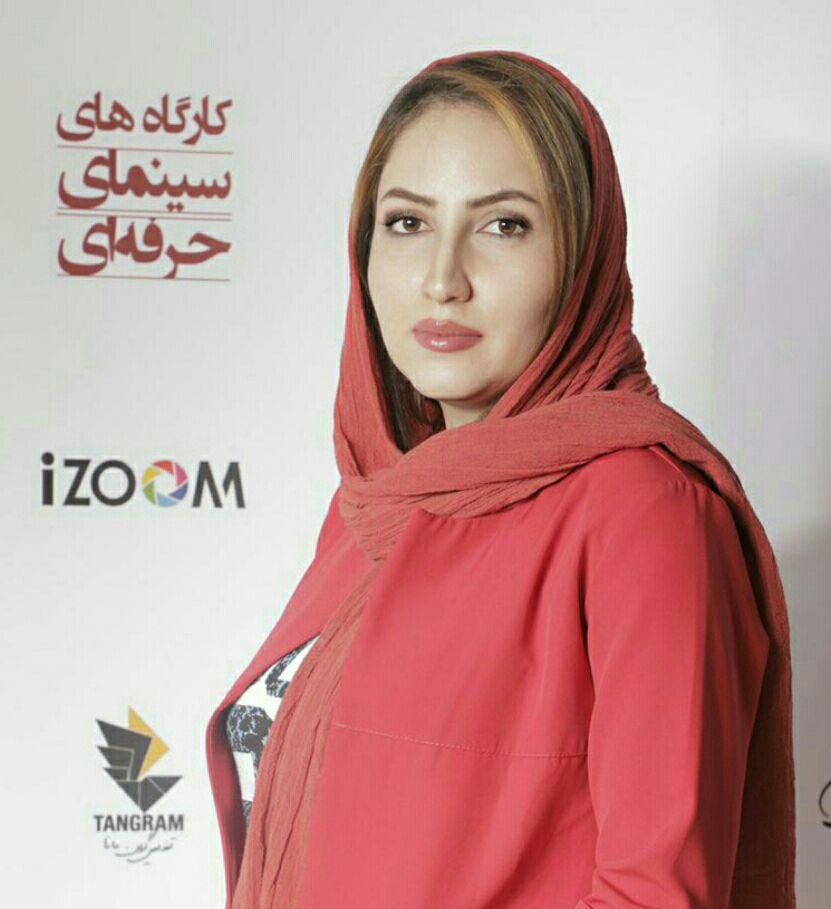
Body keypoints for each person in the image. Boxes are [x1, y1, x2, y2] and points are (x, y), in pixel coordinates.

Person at [206, 49, 796, 908]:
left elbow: (654, 893)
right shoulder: (376, 506)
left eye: (503, 226)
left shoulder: (643, 509)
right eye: (406, 222)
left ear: (583, 254)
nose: (441, 278)